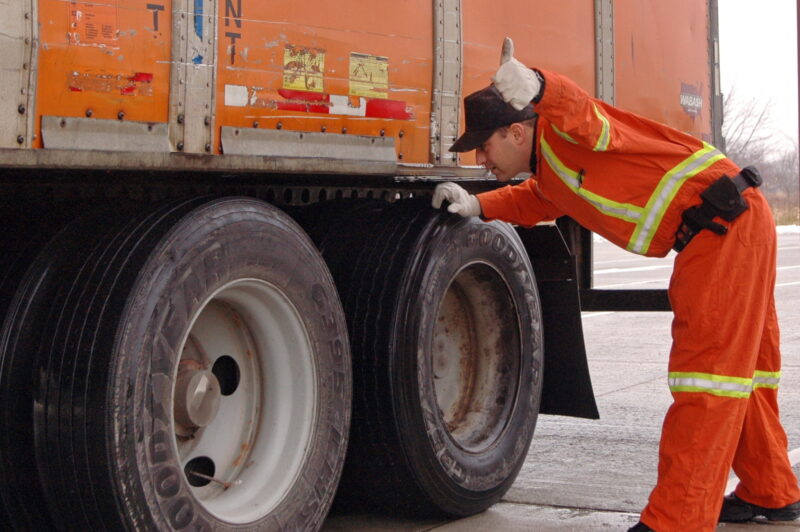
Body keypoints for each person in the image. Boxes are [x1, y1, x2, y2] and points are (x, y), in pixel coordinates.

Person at [432, 39, 800, 532]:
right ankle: (770, 490)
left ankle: (677, 521)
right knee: (744, 374)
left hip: (723, 231)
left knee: (709, 380)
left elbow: (585, 114)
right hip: (730, 226)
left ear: (517, 131)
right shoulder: (553, 170)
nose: (480, 158)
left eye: (485, 145)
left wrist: (539, 85)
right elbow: (536, 200)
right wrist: (479, 205)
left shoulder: (567, 135)